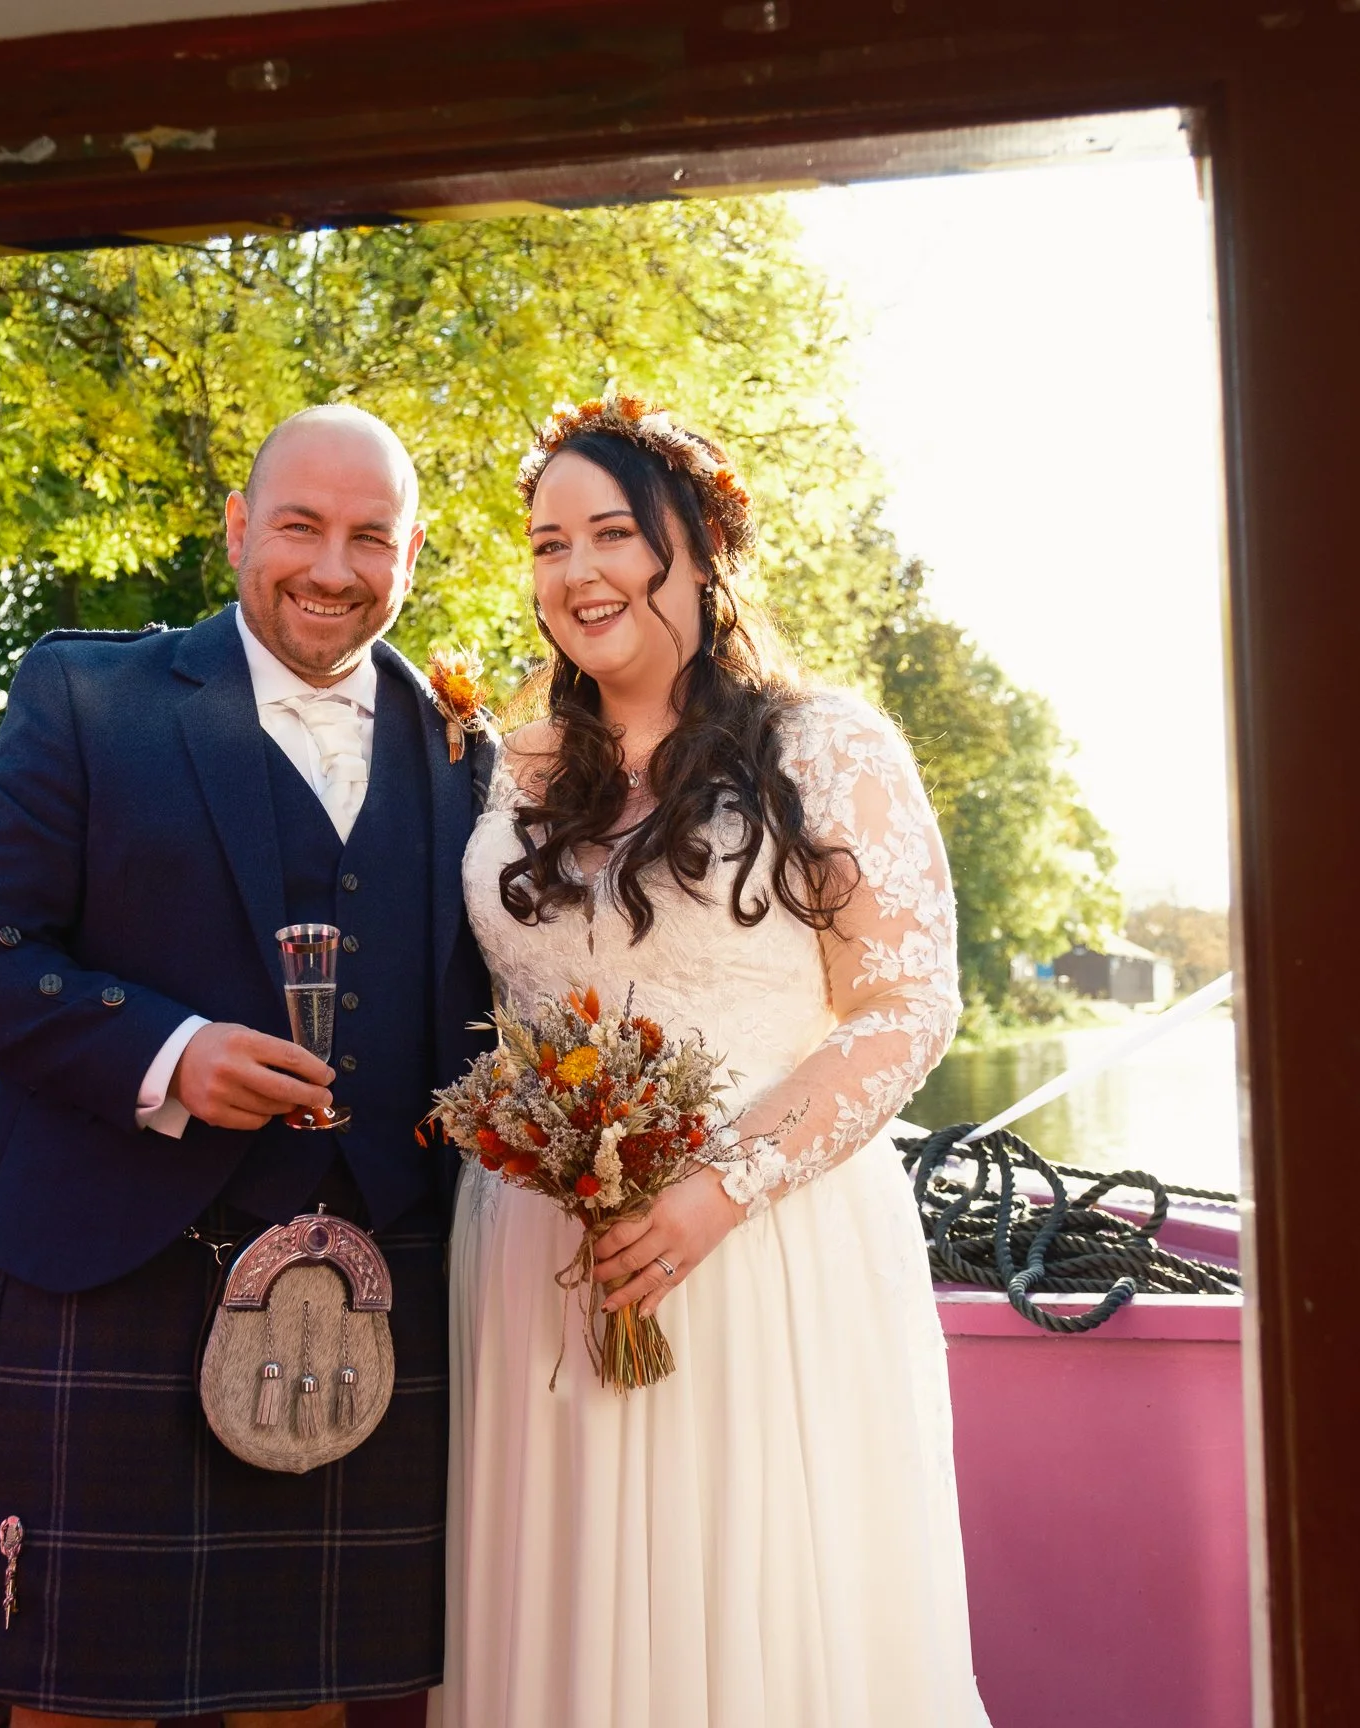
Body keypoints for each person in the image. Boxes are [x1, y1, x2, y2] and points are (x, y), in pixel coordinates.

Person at [0, 404, 494, 1728]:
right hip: (110, 1262)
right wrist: (167, 1054)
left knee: (310, 1697)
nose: (333, 569)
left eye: (371, 539)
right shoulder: (88, 694)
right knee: (81, 1699)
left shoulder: (469, 754)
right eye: (299, 527)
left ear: (411, 554)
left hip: (369, 1286)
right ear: (238, 528)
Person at [446, 397, 990, 1727]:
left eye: (611, 535)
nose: (574, 572)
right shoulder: (502, 769)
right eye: (545, 543)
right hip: (537, 1265)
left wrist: (718, 1189)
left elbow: (905, 1003)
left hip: (762, 1256)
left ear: (701, 552)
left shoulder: (828, 747)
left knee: (760, 1622)